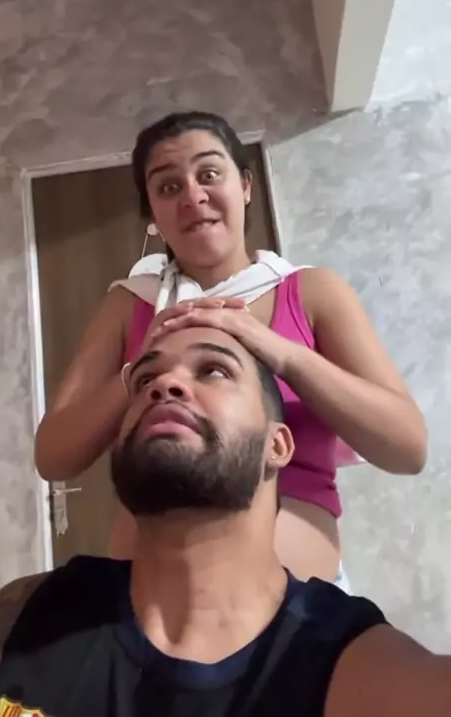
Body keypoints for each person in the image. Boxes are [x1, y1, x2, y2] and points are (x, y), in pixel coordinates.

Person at [35, 111, 427, 585]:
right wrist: (139, 369)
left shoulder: (313, 293)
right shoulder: (128, 305)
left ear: (244, 186)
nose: (192, 196)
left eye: (209, 174)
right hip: (140, 603)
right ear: (152, 214)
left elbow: (408, 449)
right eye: (168, 187)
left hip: (297, 607)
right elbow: (53, 456)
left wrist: (282, 354)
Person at [0, 327, 446, 717]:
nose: (164, 385)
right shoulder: (22, 615)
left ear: (278, 445)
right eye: (145, 379)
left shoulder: (354, 666)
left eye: (214, 370)